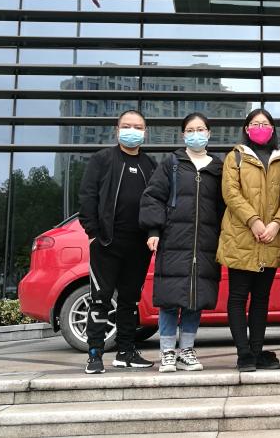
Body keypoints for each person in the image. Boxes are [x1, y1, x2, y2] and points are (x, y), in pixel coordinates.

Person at [140, 112, 225, 373]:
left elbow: (226, 205)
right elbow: (153, 196)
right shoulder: (172, 164)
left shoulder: (218, 167)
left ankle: (186, 350)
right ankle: (167, 352)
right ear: (183, 135)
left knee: (195, 298)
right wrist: (153, 230)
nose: (196, 134)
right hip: (174, 240)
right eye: (190, 130)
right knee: (170, 298)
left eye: (200, 130)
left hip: (206, 243)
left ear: (209, 133)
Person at [78, 109, 157, 374]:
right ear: (117, 130)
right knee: (100, 299)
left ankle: (126, 352)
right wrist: (92, 233)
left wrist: (153, 232)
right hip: (106, 243)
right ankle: (94, 354)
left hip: (139, 246)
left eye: (138, 127)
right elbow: (87, 196)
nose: (132, 131)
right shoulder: (102, 159)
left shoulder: (150, 165)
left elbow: (156, 202)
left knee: (129, 300)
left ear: (145, 132)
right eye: (127, 126)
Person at [217, 109, 280, 372]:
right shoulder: (235, 156)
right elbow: (230, 193)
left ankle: (257, 351)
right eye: (255, 123)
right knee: (238, 297)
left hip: (271, 237)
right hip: (241, 236)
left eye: (265, 123)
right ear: (246, 128)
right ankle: (244, 354)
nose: (260, 127)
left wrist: (276, 223)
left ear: (273, 129)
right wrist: (253, 221)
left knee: (261, 299)